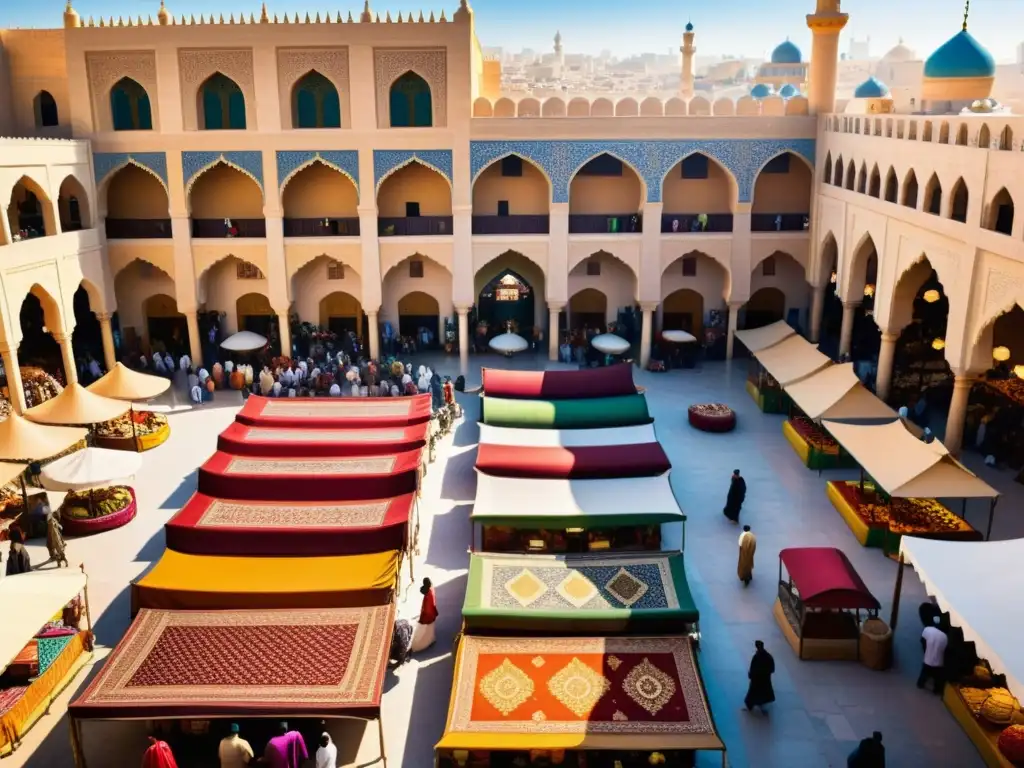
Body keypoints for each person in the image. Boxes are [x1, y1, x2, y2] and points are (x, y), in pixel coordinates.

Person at [744, 640, 775, 712]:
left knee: (752, 693)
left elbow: (753, 667)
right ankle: (760, 703)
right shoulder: (768, 656)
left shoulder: (756, 657)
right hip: (764, 679)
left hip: (757, 679)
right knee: (763, 692)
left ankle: (751, 706)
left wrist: (751, 675)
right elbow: (772, 668)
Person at [918, 623, 948, 695]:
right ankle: (936, 690)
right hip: (938, 662)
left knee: (924, 673)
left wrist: (925, 650)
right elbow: (945, 650)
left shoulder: (928, 630)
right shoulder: (945, 636)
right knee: (937, 677)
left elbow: (922, 640)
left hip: (928, 659)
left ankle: (920, 684)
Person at [411, 577, 439, 652]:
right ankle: (431, 640)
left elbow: (427, 609)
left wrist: (422, 619)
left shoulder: (428, 596)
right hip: (431, 615)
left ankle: (422, 645)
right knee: (430, 629)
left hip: (427, 617)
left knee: (424, 630)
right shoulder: (431, 589)